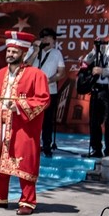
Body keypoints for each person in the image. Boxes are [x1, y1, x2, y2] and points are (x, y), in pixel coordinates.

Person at [0, 31, 50, 215]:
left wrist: (19, 106)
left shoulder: (36, 75)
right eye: (8, 51)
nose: (10, 54)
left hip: (22, 127)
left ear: (24, 53)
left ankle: (27, 201)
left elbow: (43, 99)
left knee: (25, 160)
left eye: (14, 51)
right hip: (0, 125)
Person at [32, 28, 64, 157]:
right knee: (32, 118)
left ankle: (46, 146)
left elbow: (61, 73)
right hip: (33, 91)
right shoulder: (33, 50)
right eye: (43, 37)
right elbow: (24, 66)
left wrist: (48, 80)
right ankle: (32, 145)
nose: (45, 39)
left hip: (50, 91)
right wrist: (35, 51)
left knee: (47, 120)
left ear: (54, 40)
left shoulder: (57, 53)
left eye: (48, 37)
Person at [80, 40, 109, 158]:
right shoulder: (102, 47)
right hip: (96, 89)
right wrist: (94, 50)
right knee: (94, 121)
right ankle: (96, 149)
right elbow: (86, 62)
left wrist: (103, 71)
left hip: (108, 90)